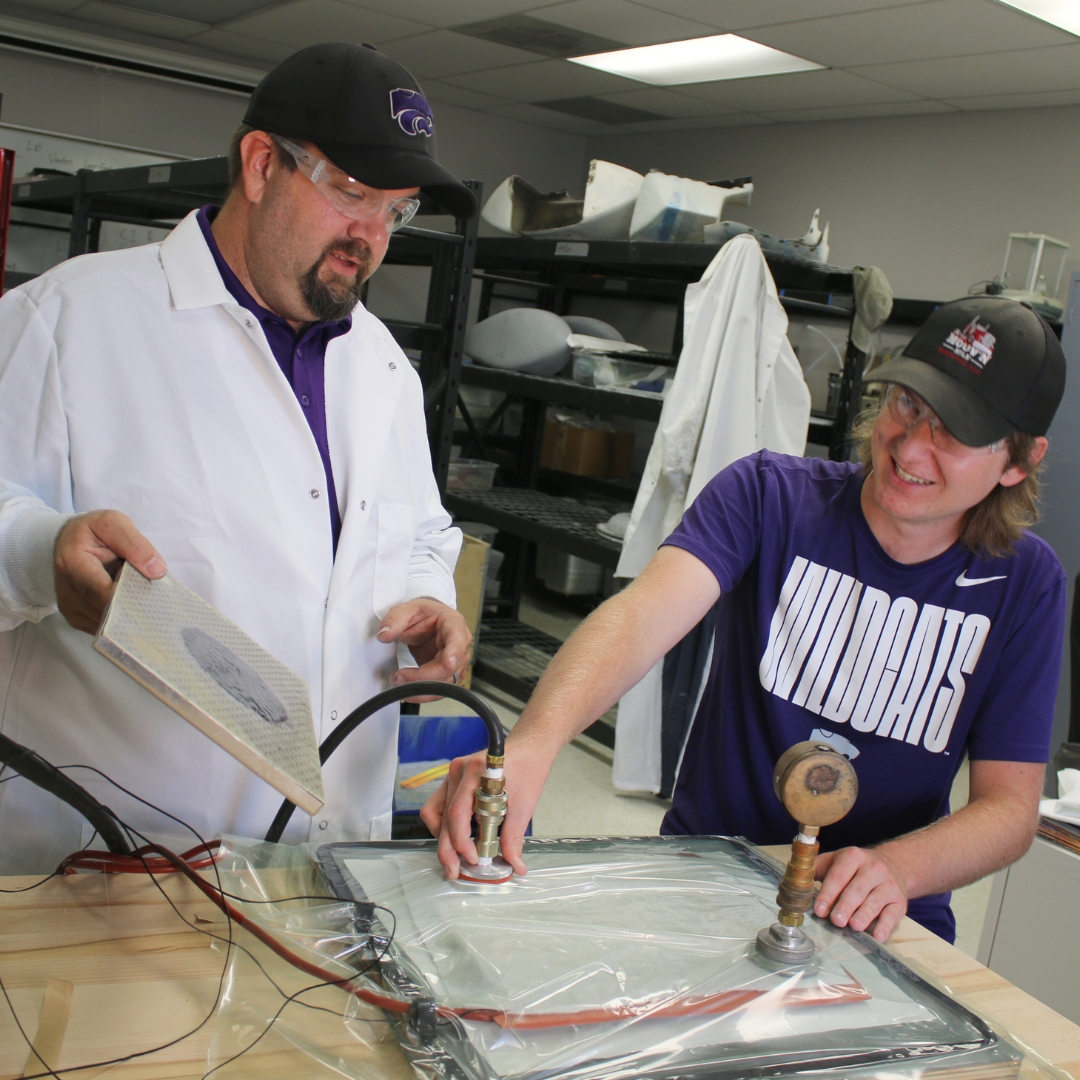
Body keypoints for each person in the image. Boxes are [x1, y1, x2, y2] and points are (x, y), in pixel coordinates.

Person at [426, 296, 1066, 944]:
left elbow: (1009, 811)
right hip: (708, 873)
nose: (911, 447)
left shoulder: (1025, 584)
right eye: (908, 406)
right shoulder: (768, 496)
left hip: (885, 911)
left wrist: (898, 869)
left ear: (1019, 459)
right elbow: (642, 616)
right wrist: (537, 740)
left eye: (952, 433)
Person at [0, 43, 475, 874]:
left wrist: (431, 598)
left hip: (327, 865)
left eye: (394, 212)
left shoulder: (386, 370)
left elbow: (424, 534)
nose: (370, 238)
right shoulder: (68, 320)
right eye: (354, 195)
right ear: (261, 164)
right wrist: (41, 553)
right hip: (117, 861)